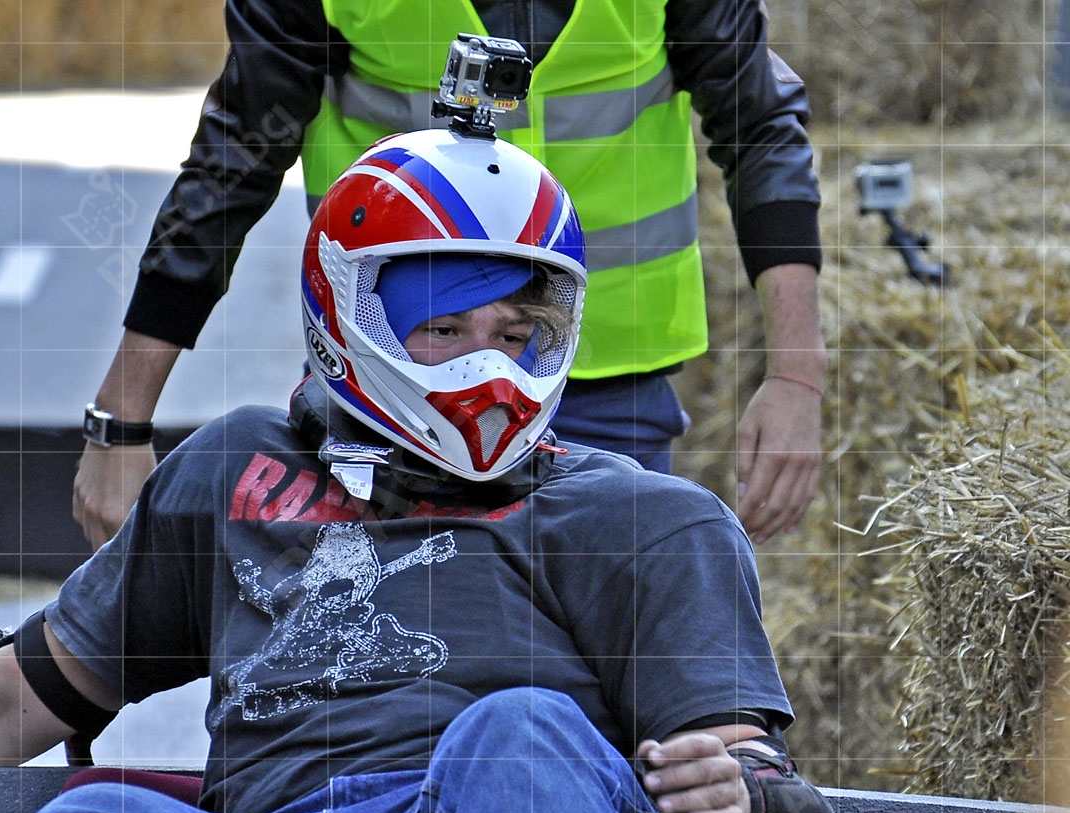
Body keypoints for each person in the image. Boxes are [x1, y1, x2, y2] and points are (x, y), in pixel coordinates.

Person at [0, 130, 843, 813]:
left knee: (519, 732)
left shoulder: (645, 519)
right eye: (443, 330)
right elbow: (12, 701)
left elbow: (784, 805)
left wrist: (744, 804)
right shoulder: (231, 469)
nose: (486, 365)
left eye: (513, 333)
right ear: (348, 320)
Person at [74, 0, 826, 550]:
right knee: (361, 664)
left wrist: (798, 376)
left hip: (601, 392)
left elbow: (759, 128)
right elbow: (234, 160)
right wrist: (121, 423)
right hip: (385, 391)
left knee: (607, 674)